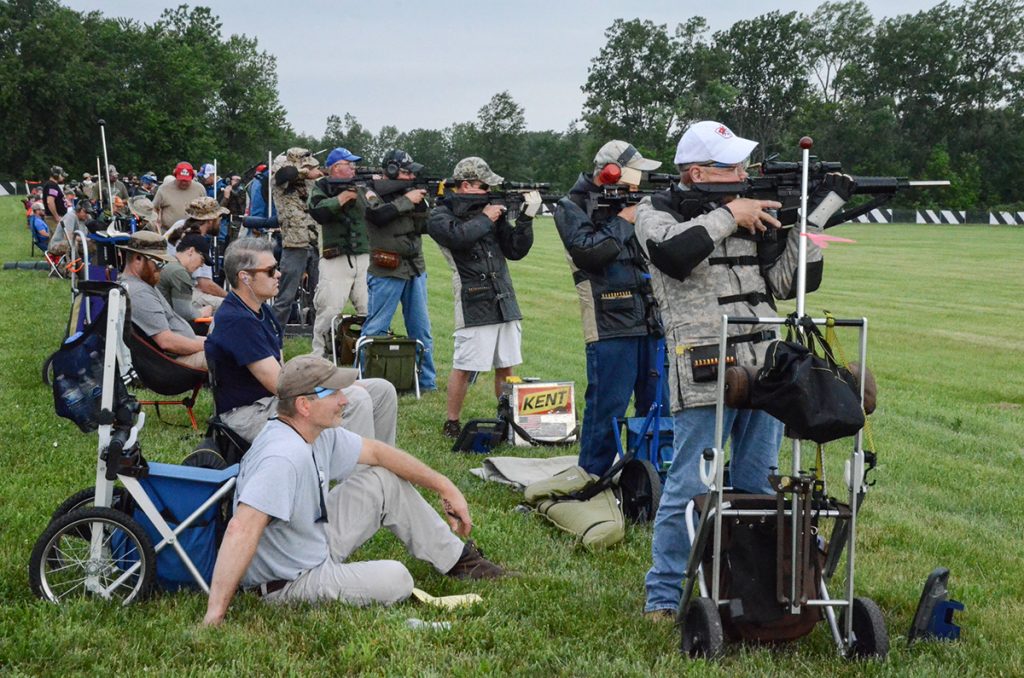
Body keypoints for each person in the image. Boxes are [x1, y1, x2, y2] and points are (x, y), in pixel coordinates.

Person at [634, 120, 855, 618]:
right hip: (706, 366)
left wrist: (813, 220)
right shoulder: (657, 211)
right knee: (689, 484)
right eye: (731, 166)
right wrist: (731, 214)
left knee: (757, 484)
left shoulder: (747, 213)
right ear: (697, 172)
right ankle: (665, 595)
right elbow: (673, 254)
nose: (743, 173)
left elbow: (786, 283)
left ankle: (747, 589)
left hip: (767, 365)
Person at [202, 354, 506, 625]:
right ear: (304, 405)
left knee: (382, 480)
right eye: (333, 393)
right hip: (287, 582)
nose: (344, 400)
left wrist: (444, 485)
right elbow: (241, 529)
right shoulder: (282, 457)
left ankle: (459, 561)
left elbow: (376, 452)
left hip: (312, 544)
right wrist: (214, 616)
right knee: (398, 578)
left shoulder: (311, 432)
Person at [205, 237, 397, 445]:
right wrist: (332, 387)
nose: (278, 274)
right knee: (356, 399)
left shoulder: (261, 311)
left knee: (382, 390)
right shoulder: (237, 321)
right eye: (270, 271)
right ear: (245, 278)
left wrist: (338, 384)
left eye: (276, 268)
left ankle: (381, 469)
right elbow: (279, 385)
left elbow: (282, 371)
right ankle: (358, 474)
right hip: (248, 414)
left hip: (274, 402)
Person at [552, 140, 666, 477]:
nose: (640, 181)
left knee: (660, 406)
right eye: (635, 173)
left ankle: (651, 479)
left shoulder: (631, 204)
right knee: (608, 409)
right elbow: (589, 253)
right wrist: (625, 220)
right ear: (611, 173)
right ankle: (591, 480)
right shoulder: (570, 207)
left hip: (650, 317)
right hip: (608, 321)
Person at [427, 157, 533, 438]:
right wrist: (487, 216)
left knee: (506, 363)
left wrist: (525, 220)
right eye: (483, 186)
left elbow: (515, 250)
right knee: (464, 365)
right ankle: (452, 422)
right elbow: (459, 238)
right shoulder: (440, 215)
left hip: (503, 296)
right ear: (466, 185)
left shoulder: (488, 213)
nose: (488, 191)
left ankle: (507, 417)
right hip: (472, 298)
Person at [358, 149, 436, 392]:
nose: (411, 175)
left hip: (414, 267)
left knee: (421, 328)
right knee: (376, 328)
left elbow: (426, 226)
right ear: (391, 170)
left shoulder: (408, 194)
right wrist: (406, 200)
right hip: (387, 267)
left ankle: (426, 382)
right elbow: (377, 215)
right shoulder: (368, 190)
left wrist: (423, 203)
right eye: (406, 171)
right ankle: (365, 379)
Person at [306, 147, 370, 357]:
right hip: (335, 258)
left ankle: (367, 355)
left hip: (364, 256)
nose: (353, 168)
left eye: (354, 164)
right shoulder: (322, 186)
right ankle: (319, 357)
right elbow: (317, 211)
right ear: (334, 168)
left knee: (369, 309)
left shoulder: (364, 186)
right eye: (348, 164)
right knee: (329, 310)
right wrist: (341, 198)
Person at [116, 231, 207, 370]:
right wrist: (211, 346)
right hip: (169, 364)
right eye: (158, 262)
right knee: (231, 357)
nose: (162, 268)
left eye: (164, 262)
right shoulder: (139, 293)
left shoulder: (138, 284)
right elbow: (167, 342)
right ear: (138, 258)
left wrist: (214, 342)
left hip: (174, 355)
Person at [271, 147, 323, 327]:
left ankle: (322, 341)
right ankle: (274, 338)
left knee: (320, 296)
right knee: (285, 297)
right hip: (294, 244)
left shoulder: (313, 183)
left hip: (316, 243)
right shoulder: (281, 179)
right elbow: (285, 174)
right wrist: (306, 173)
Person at [157, 232, 214, 322]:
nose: (202, 265)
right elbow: (184, 314)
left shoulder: (170, 262)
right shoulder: (179, 272)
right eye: (202, 260)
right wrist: (202, 312)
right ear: (191, 251)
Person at [152, 162, 207, 232]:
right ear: (175, 176)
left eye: (186, 180)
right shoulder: (164, 189)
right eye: (181, 180)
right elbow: (154, 207)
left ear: (192, 177)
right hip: (168, 232)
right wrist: (156, 221)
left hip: (193, 232)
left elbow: (205, 209)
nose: (184, 182)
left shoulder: (200, 189)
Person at [41, 166, 67, 233]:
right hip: (53, 218)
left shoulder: (52, 185)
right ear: (56, 175)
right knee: (60, 240)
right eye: (62, 175)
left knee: (54, 240)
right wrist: (56, 217)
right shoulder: (52, 185)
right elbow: (50, 201)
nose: (63, 177)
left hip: (54, 217)